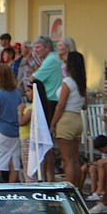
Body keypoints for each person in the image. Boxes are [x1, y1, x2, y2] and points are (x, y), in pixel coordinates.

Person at [50, 50, 87, 188]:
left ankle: (70, 188)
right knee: (75, 159)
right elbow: (85, 105)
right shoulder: (81, 83)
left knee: (67, 160)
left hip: (66, 119)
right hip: (77, 118)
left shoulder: (67, 82)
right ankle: (77, 187)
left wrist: (53, 124)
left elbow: (61, 105)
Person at [31, 35, 62, 181]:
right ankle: (48, 175)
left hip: (49, 102)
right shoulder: (52, 59)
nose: (35, 51)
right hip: (50, 101)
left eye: (38, 47)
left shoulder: (51, 60)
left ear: (47, 47)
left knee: (46, 141)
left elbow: (34, 78)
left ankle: (50, 178)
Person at [86, 135, 107, 210]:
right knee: (92, 168)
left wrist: (99, 163)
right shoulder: (105, 152)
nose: (101, 151)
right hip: (106, 168)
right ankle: (94, 190)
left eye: (102, 149)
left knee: (102, 164)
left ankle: (100, 189)